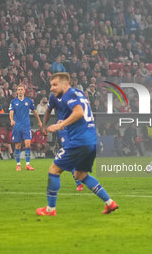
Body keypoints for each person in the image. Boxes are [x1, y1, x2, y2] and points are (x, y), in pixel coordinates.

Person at [36, 73, 118, 216]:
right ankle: (109, 203)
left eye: (55, 85)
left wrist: (61, 125)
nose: (52, 88)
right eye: (51, 85)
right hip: (91, 141)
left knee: (54, 170)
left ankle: (50, 209)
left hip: (79, 141)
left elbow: (79, 112)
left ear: (65, 84)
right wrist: (63, 122)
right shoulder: (78, 93)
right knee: (80, 174)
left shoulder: (69, 94)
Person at [42, 91, 84, 191]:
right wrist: (44, 125)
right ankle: (78, 182)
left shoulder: (74, 95)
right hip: (63, 128)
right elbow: (48, 111)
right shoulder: (53, 96)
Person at [9, 85, 42, 171]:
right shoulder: (13, 101)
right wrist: (12, 120)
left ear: (24, 91)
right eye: (18, 90)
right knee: (17, 145)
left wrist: (39, 121)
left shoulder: (29, 101)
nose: (20, 91)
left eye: (21, 90)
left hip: (26, 126)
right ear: (16, 91)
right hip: (17, 127)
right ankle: (18, 165)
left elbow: (34, 111)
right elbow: (11, 112)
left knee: (28, 144)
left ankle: (28, 164)